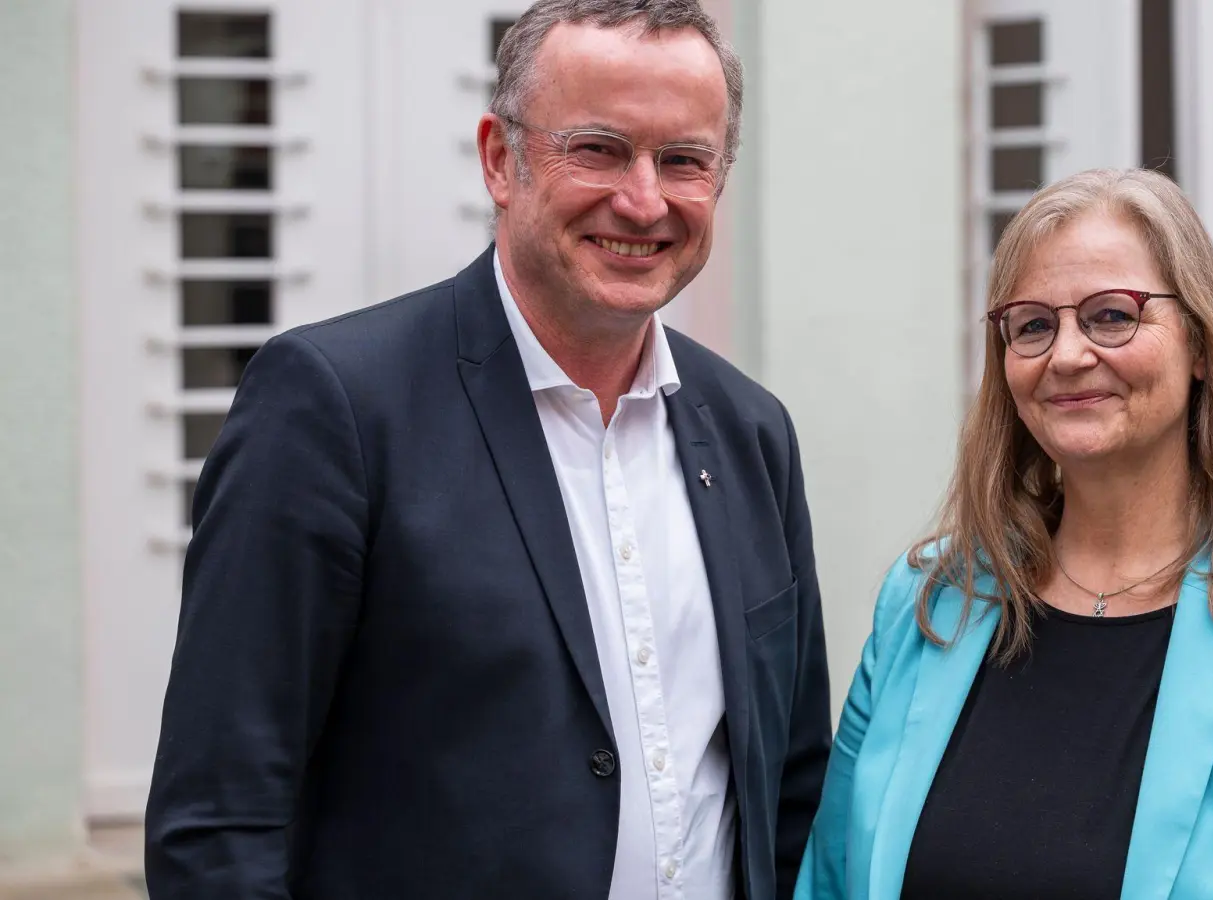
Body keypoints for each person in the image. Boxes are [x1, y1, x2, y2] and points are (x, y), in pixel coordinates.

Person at [143, 2, 831, 898]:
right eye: (598, 148)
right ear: (501, 159)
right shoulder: (333, 407)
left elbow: (790, 788)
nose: (644, 199)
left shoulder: (752, 433)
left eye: (684, 161)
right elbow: (220, 819)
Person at [794, 168, 1213, 899]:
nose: (1066, 355)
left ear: (1198, 343)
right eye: (1032, 324)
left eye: (1111, 315)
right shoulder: (927, 606)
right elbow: (833, 883)